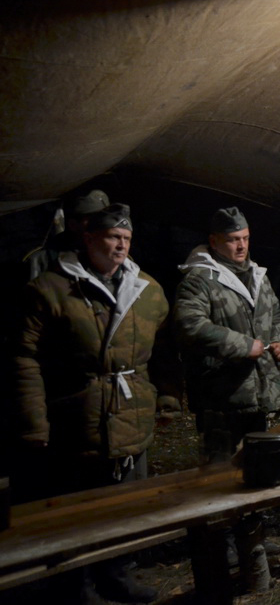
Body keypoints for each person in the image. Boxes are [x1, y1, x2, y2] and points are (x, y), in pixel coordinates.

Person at [12, 203, 168, 603]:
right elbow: (25, 360)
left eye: (127, 238)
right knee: (76, 505)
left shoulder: (147, 290)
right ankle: (76, 584)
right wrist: (34, 423)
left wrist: (163, 395)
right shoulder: (51, 289)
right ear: (89, 238)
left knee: (122, 501)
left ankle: (116, 573)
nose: (121, 245)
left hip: (130, 411)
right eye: (113, 237)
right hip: (76, 414)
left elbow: (162, 350)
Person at [173, 207, 280, 564]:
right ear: (214, 241)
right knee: (220, 473)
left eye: (245, 239)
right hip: (221, 395)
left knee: (256, 468)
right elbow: (190, 325)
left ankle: (252, 535)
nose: (241, 246)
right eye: (233, 240)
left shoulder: (258, 276)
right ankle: (219, 541)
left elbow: (275, 317)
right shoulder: (199, 279)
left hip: (256, 391)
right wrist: (242, 345)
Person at [22, 189, 110, 282]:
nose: (103, 224)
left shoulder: (113, 255)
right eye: (94, 219)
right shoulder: (41, 261)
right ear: (73, 225)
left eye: (105, 218)